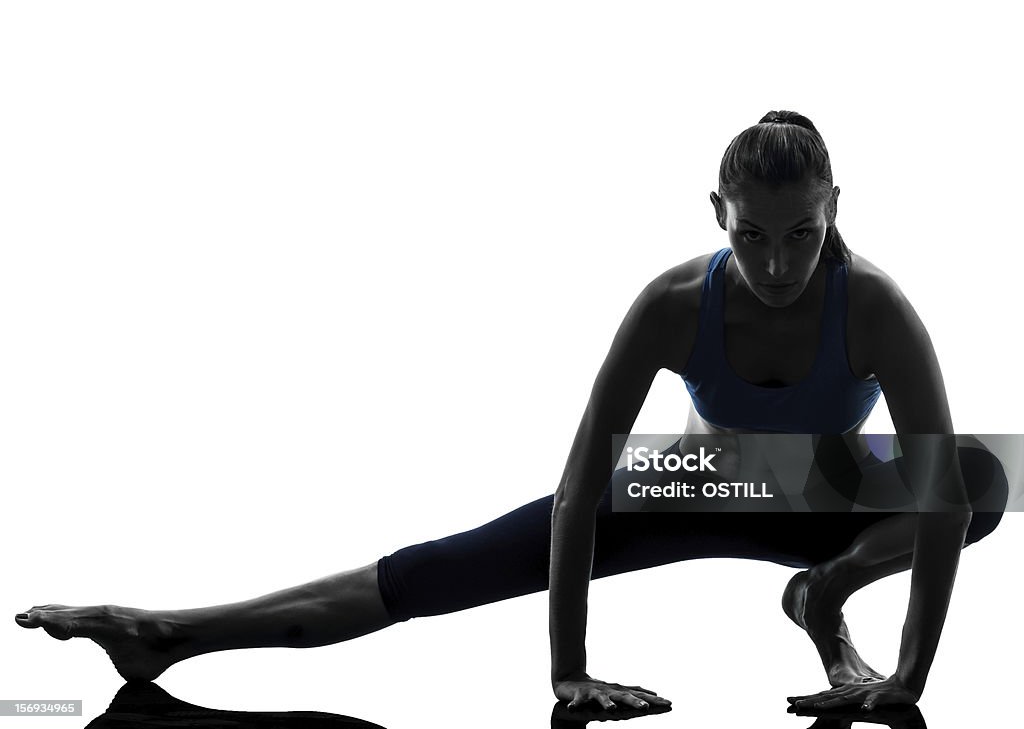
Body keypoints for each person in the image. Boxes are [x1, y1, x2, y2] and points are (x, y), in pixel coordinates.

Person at [14, 111, 1007, 714]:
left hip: (826, 495)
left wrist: (911, 675)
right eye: (752, 235)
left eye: (802, 233)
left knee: (979, 474)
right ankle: (167, 631)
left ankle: (822, 593)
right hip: (698, 481)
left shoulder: (875, 306)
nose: (780, 264)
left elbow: (936, 496)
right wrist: (568, 670)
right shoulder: (671, 305)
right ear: (715, 211)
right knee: (440, 568)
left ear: (836, 204)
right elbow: (582, 489)